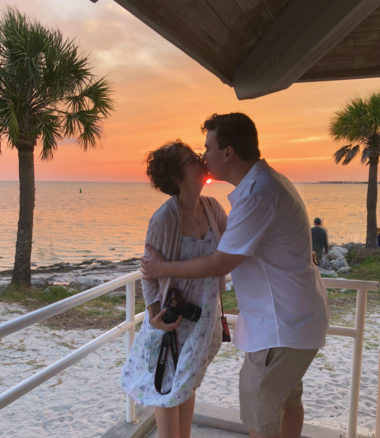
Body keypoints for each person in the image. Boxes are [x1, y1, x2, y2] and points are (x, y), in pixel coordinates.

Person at [141, 113, 329, 438]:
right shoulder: (264, 185)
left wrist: (163, 269)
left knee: (260, 412)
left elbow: (220, 261)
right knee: (284, 401)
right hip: (288, 321)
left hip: (279, 327)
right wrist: (153, 305)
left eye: (207, 147)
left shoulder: (255, 194)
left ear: (227, 153)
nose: (203, 156)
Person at [121, 140, 227, 438]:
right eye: (191, 158)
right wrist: (155, 315)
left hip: (204, 318)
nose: (200, 159)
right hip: (174, 320)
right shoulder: (165, 218)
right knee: (167, 391)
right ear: (177, 176)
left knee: (186, 384)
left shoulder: (212, 208)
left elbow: (232, 253)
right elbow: (148, 273)